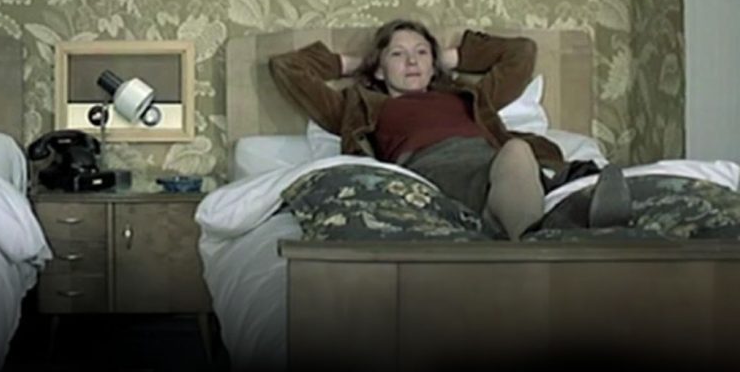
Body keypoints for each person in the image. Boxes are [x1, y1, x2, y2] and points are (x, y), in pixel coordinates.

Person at [268, 18, 628, 240]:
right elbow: (287, 67)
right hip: (434, 168)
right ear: (379, 68)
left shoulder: (466, 95)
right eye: (397, 54)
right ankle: (542, 236)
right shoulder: (360, 105)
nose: (412, 60)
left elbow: (521, 52)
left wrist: (448, 58)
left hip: (494, 163)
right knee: (520, 161)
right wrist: (357, 63)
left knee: (521, 155)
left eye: (421, 52)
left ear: (434, 63)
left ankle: (527, 223)